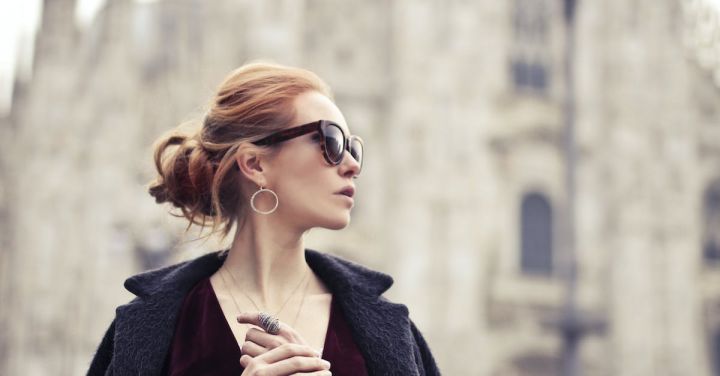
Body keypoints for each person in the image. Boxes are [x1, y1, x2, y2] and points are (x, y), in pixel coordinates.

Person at [86, 62, 440, 376]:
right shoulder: (153, 327)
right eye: (331, 141)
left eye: (353, 147)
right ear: (255, 165)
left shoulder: (391, 329)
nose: (353, 165)